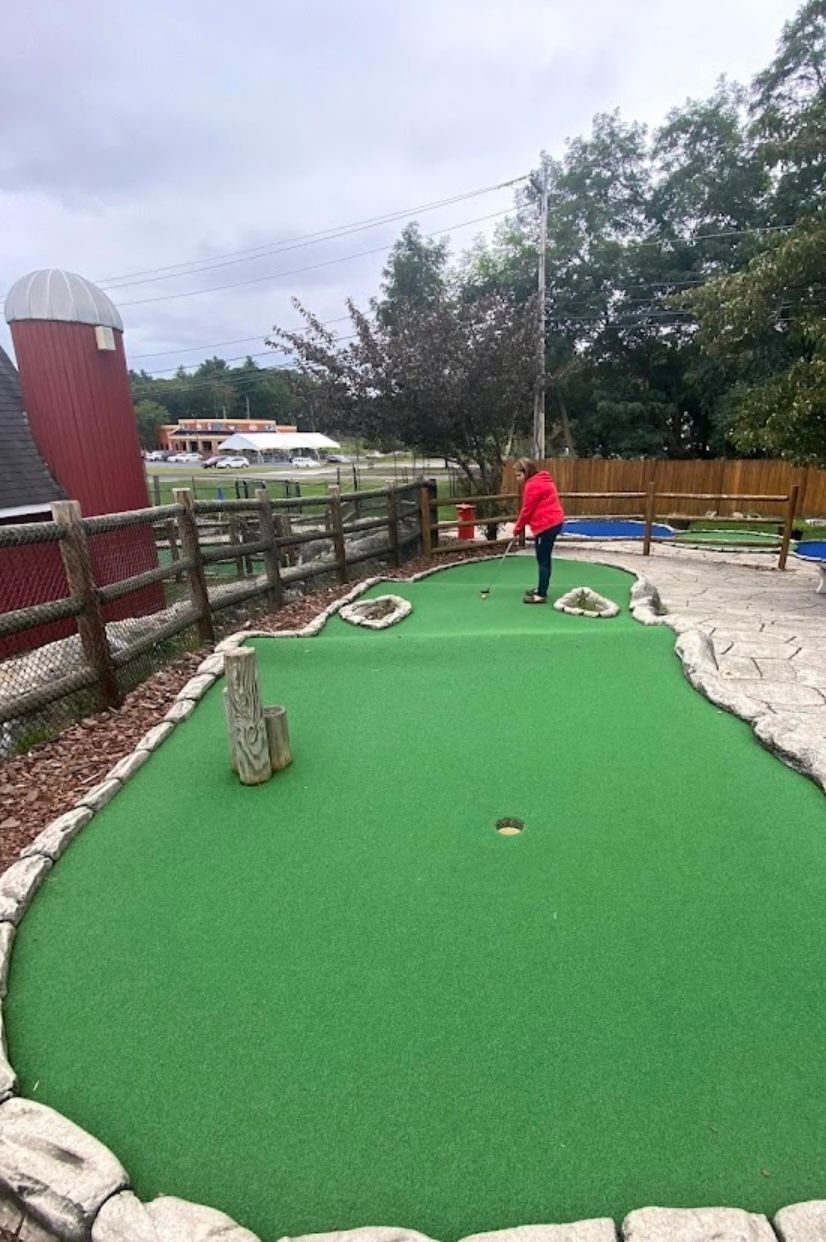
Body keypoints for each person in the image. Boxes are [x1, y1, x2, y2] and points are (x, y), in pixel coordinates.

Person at [512, 458, 565, 604]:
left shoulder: (532, 485)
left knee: (543, 560)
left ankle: (541, 594)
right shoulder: (543, 479)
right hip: (554, 522)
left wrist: (517, 528)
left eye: (518, 475)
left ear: (526, 472)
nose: (518, 479)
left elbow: (527, 510)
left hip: (547, 526)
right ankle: (541, 587)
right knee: (543, 558)